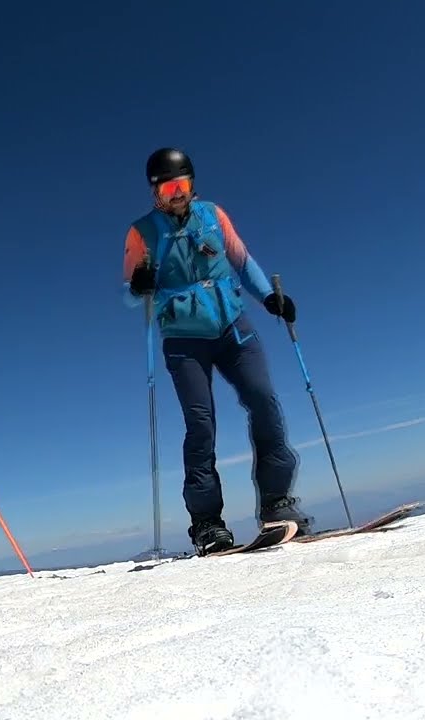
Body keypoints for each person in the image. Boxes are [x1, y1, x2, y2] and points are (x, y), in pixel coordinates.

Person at [121, 147, 311, 555]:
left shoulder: (212, 215)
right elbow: (130, 296)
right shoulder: (142, 232)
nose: (177, 194)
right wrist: (140, 285)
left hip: (232, 326)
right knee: (201, 423)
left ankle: (277, 502)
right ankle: (207, 522)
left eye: (182, 185)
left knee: (264, 401)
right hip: (183, 339)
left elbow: (243, 261)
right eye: (169, 187)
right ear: (155, 191)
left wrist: (269, 299)